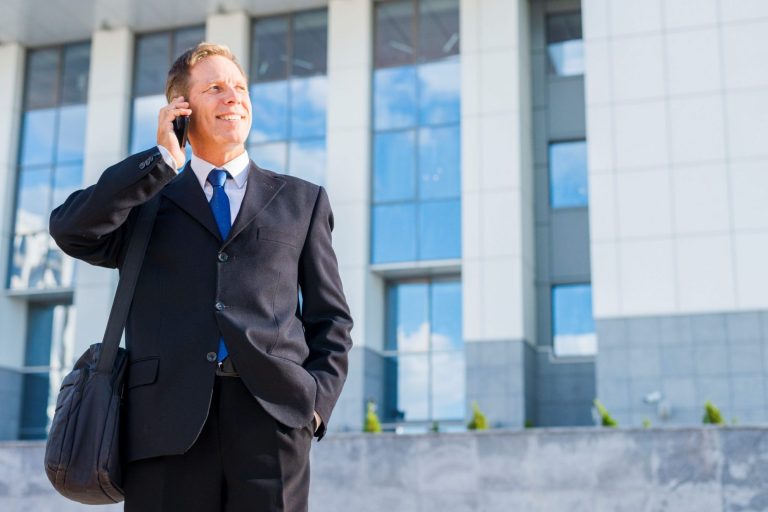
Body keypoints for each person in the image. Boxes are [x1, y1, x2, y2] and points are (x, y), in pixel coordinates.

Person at [49, 42, 353, 512]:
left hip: (271, 422)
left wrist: (313, 406)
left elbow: (330, 319)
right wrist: (159, 161)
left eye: (240, 87)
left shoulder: (302, 201)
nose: (233, 97)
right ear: (181, 110)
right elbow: (72, 229)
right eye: (215, 88)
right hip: (162, 426)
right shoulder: (146, 200)